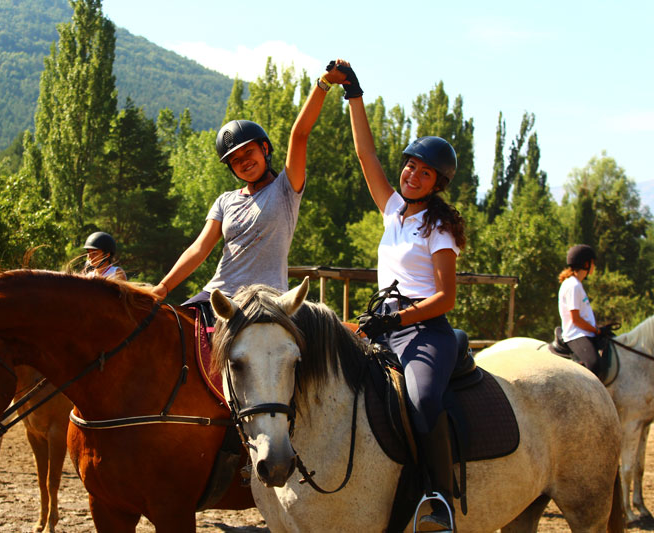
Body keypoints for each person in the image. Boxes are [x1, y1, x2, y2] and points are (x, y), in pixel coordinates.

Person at [334, 60, 466, 531]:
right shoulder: (392, 209)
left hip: (425, 331)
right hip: (382, 321)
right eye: (411, 165)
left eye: (424, 172)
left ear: (437, 184)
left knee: (421, 401)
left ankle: (438, 499)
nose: (412, 174)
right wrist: (354, 95)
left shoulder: (440, 226)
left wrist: (397, 321)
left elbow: (446, 297)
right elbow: (365, 154)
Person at [151, 64, 345, 304]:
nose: (244, 162)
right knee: (176, 331)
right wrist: (163, 287)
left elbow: (300, 133)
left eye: (248, 152)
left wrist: (324, 83)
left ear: (264, 149)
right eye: (235, 160)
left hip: (265, 300)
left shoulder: (286, 188)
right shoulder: (225, 201)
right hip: (219, 294)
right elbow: (199, 249)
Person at [558, 244, 603, 372]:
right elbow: (576, 319)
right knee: (594, 364)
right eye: (592, 263)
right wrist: (596, 331)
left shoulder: (577, 284)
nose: (594, 266)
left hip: (584, 333)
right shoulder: (573, 286)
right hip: (576, 335)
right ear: (586, 264)